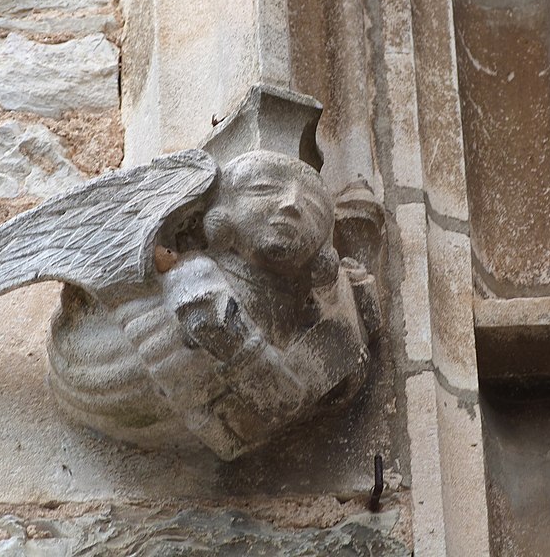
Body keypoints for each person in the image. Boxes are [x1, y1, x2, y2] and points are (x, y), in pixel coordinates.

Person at [47, 151, 378, 460]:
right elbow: (271, 395)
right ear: (223, 213)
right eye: (264, 189)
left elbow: (267, 407)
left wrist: (341, 306)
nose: (292, 205)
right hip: (97, 365)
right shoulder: (197, 276)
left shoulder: (291, 314)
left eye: (315, 209)